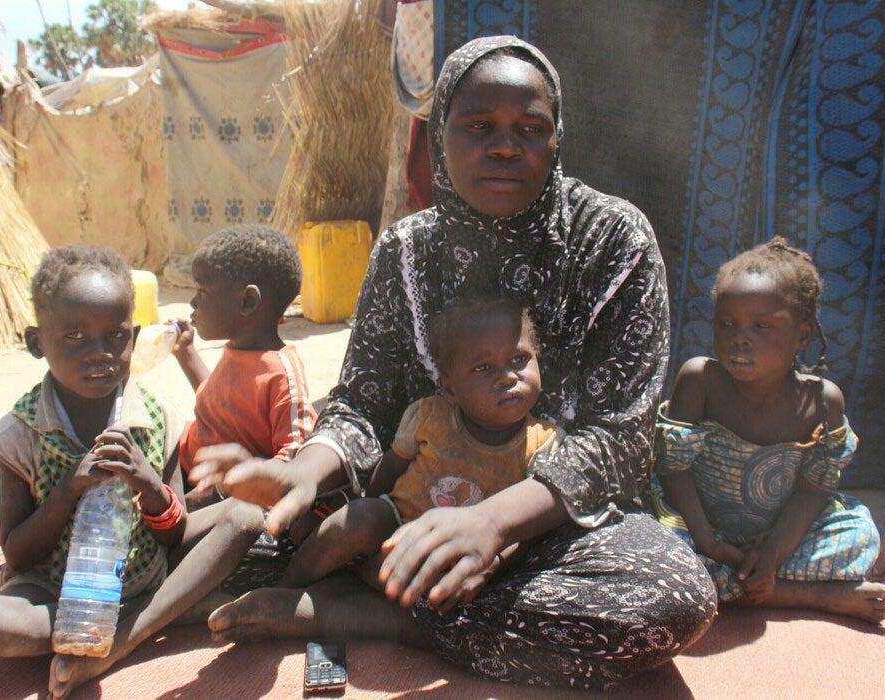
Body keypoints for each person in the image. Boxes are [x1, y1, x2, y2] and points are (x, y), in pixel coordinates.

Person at [187, 36, 718, 691]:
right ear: (440, 138)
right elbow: (363, 402)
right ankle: (404, 585)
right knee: (230, 546)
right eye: (478, 126)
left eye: (530, 129)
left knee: (670, 603)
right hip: (413, 509)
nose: (504, 145)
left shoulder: (612, 239)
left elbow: (618, 437)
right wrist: (304, 473)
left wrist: (490, 524)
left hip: (558, 527)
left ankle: (384, 616)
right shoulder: (406, 249)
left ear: (557, 141)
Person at [0, 244, 265, 699]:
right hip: (57, 589)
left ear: (135, 334)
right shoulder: (19, 434)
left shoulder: (157, 417)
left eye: (115, 336)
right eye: (74, 337)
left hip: (145, 568)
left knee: (244, 517)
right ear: (35, 342)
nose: (99, 353)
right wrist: (68, 491)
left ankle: (126, 636)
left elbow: (173, 534)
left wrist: (148, 482)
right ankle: (167, 610)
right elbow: (18, 554)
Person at [651, 237, 885, 623]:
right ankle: (802, 594)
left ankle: (756, 581)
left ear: (803, 334)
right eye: (727, 324)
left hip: (776, 535)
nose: (739, 337)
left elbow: (814, 489)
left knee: (860, 537)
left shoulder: (822, 401)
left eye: (762, 326)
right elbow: (673, 470)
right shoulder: (700, 379)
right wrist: (710, 542)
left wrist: (773, 553)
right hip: (696, 526)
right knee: (651, 554)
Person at [279, 296, 564, 588]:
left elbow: (530, 529)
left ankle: (350, 595)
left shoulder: (543, 442)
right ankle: (286, 589)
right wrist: (352, 505)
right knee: (358, 519)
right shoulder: (430, 417)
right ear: (449, 386)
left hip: (457, 554)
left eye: (519, 359)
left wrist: (495, 562)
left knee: (446, 588)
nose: (508, 377)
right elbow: (389, 470)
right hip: (395, 524)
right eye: (483, 368)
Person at [171, 224, 316, 514]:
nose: (193, 302)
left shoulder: (280, 373)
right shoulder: (238, 347)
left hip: (214, 488)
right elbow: (218, 405)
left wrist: (232, 485)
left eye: (202, 290)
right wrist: (187, 355)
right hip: (184, 460)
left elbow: (295, 456)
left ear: (248, 302)